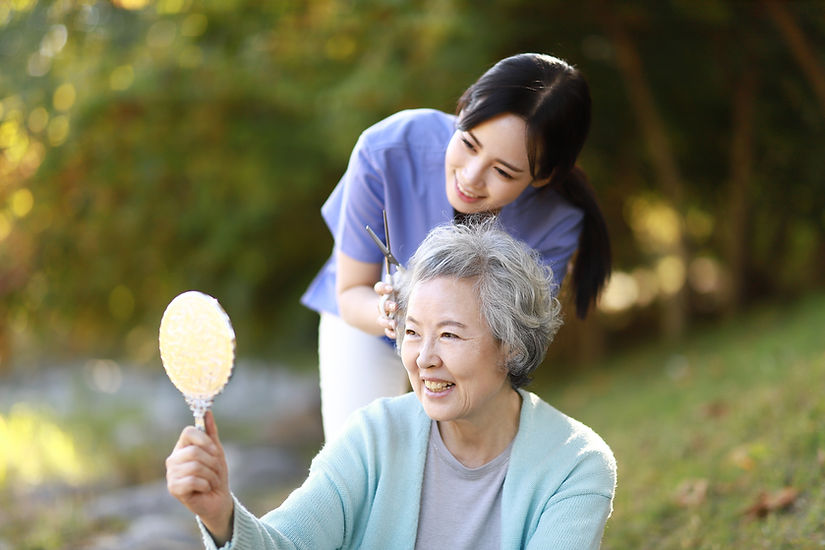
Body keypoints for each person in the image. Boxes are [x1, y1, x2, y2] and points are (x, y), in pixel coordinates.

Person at [167, 221, 617, 550]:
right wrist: (221, 514)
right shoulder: (373, 436)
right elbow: (286, 545)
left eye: (450, 334)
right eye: (413, 332)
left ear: (512, 347)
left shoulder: (575, 466)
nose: (423, 359)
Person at [300, 52, 611, 440]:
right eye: (468, 143)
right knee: (357, 457)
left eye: (502, 171)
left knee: (451, 469)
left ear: (543, 175)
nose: (471, 176)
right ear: (463, 108)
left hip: (471, 356)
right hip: (367, 324)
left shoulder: (557, 223)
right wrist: (391, 314)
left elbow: (511, 347)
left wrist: (447, 343)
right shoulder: (385, 150)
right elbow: (351, 293)